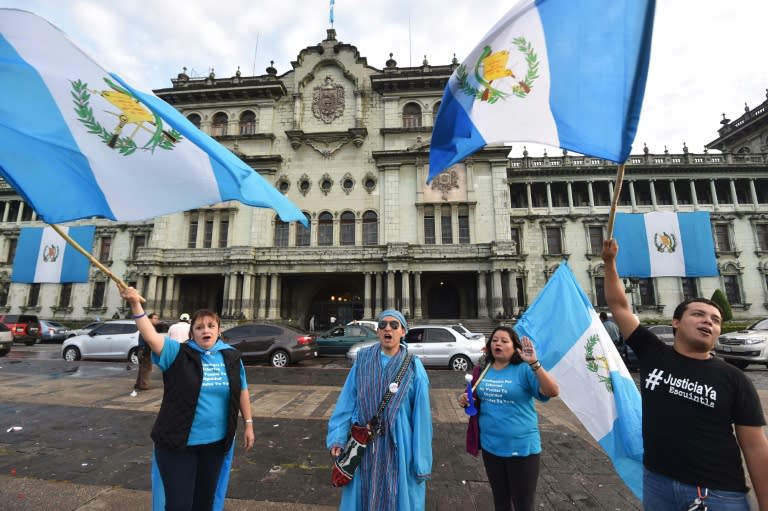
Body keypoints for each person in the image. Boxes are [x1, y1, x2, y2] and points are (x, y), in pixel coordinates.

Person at [602, 238, 768, 510]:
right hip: (657, 484)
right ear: (676, 322)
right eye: (699, 315)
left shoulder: (734, 379)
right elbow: (620, 307)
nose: (708, 321)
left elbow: (755, 447)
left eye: (715, 320)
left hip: (716, 494)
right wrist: (609, 263)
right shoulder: (654, 354)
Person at [119, 285, 255, 510]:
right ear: (192, 333)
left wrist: (248, 424)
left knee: (204, 502)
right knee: (179, 504)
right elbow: (151, 337)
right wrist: (135, 304)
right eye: (199, 327)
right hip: (178, 445)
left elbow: (242, 390)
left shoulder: (230, 357)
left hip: (215, 444)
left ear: (218, 330)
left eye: (210, 325)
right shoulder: (178, 353)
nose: (205, 330)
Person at [326, 309, 432, 510]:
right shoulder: (363, 360)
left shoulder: (413, 366)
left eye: (394, 325)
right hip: (364, 442)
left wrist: (421, 462)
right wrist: (338, 435)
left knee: (398, 494)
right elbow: (347, 400)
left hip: (399, 443)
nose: (388, 329)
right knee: (363, 496)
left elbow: (422, 418)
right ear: (377, 331)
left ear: (403, 332)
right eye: (383, 325)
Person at [459, 326, 559, 511]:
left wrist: (535, 363)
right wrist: (464, 399)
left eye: (505, 341)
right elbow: (475, 396)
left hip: (521, 449)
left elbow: (552, 391)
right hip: (491, 446)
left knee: (523, 504)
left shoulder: (524, 370)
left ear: (515, 347)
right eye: (495, 340)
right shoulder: (484, 369)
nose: (498, 343)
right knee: (500, 501)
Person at [133, 312, 159, 391]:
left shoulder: (146, 326)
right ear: (150, 319)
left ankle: (138, 383)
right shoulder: (149, 327)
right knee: (146, 368)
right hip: (145, 349)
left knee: (142, 367)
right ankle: (144, 385)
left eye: (157, 319)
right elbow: (149, 340)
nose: (157, 320)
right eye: (155, 318)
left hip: (142, 349)